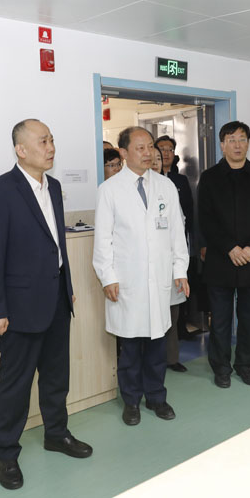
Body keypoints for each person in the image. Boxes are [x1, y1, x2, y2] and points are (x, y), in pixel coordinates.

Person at [0, 119, 92, 491]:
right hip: (19, 306)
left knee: (57, 377)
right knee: (15, 384)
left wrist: (67, 286)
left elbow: (56, 243)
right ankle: (6, 453)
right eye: (43, 141)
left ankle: (56, 434)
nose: (51, 147)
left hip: (56, 298)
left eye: (52, 140)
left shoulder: (53, 187)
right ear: (21, 149)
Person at [93, 126, 190, 426]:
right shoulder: (109, 190)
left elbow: (176, 233)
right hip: (127, 281)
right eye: (141, 148)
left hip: (159, 278)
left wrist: (180, 270)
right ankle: (131, 401)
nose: (149, 153)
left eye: (150, 146)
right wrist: (108, 277)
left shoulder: (165, 186)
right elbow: (103, 240)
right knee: (131, 348)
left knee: (158, 344)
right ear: (123, 153)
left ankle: (157, 397)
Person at [198, 121, 250, 388]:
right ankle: (221, 367)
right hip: (221, 260)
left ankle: (246, 365)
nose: (237, 145)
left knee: (249, 320)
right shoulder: (209, 178)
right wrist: (230, 248)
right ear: (222, 145)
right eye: (231, 140)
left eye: (242, 139)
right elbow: (206, 219)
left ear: (248, 143)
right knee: (220, 321)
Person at [155, 134, 197, 341]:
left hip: (178, 242)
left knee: (180, 286)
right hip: (157, 248)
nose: (165, 153)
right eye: (161, 149)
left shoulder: (179, 180)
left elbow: (188, 211)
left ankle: (181, 328)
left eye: (169, 149)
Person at [151, 146, 188, 372]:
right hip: (150, 267)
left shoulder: (169, 187)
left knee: (172, 315)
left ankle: (172, 359)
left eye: (158, 158)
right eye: (153, 158)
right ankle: (154, 362)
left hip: (171, 261)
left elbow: (179, 225)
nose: (155, 162)